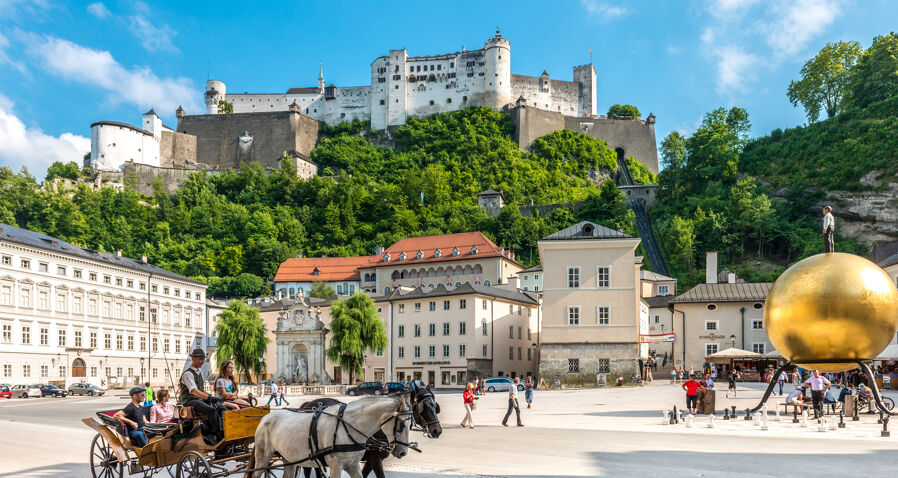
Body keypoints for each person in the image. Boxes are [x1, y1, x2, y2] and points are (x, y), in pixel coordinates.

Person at [178, 349, 223, 442]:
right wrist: (208, 398)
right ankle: (215, 434)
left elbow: (201, 390)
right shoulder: (188, 374)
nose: (202, 361)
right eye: (200, 359)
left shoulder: (199, 373)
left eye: (203, 359)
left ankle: (223, 429)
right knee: (211, 410)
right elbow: (194, 391)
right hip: (189, 401)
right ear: (193, 358)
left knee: (220, 407)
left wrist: (212, 397)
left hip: (198, 400)